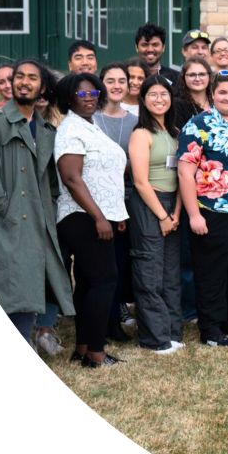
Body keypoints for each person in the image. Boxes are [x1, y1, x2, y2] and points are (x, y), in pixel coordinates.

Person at [0, 59, 74, 345]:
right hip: (7, 220)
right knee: (9, 285)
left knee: (31, 284)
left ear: (42, 87)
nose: (24, 82)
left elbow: (51, 180)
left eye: (32, 78)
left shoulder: (44, 129)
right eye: (19, 77)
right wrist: (3, 208)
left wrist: (49, 207)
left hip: (38, 219)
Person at [178, 70, 228, 347]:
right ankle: (210, 329)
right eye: (223, 92)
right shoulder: (198, 124)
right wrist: (194, 215)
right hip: (213, 209)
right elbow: (185, 173)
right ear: (213, 94)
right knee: (212, 271)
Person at [54, 72, 129, 368]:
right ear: (70, 98)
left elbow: (104, 176)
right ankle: (96, 353)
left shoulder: (92, 125)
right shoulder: (71, 129)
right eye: (81, 94)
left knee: (87, 282)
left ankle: (83, 347)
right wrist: (99, 217)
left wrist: (115, 215)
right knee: (104, 280)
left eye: (92, 93)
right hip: (82, 216)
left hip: (101, 215)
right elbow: (72, 179)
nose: (88, 99)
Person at [127, 75, 183, 354]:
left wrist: (176, 212)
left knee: (170, 273)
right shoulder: (141, 134)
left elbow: (184, 175)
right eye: (153, 95)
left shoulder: (174, 131)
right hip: (150, 204)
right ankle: (154, 338)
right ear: (143, 100)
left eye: (164, 94)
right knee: (149, 272)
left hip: (173, 204)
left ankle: (172, 332)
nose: (159, 99)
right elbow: (140, 181)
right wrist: (162, 215)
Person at [95, 62, 138, 342]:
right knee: (102, 266)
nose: (116, 85)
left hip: (127, 200)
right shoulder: (92, 120)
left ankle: (115, 320)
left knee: (120, 264)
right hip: (98, 202)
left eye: (121, 81)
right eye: (110, 80)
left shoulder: (135, 121)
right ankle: (101, 322)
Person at [171, 58, 213, 130]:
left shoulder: (217, 102)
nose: (197, 79)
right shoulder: (176, 105)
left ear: (209, 76)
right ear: (184, 77)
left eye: (202, 74)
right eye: (192, 75)